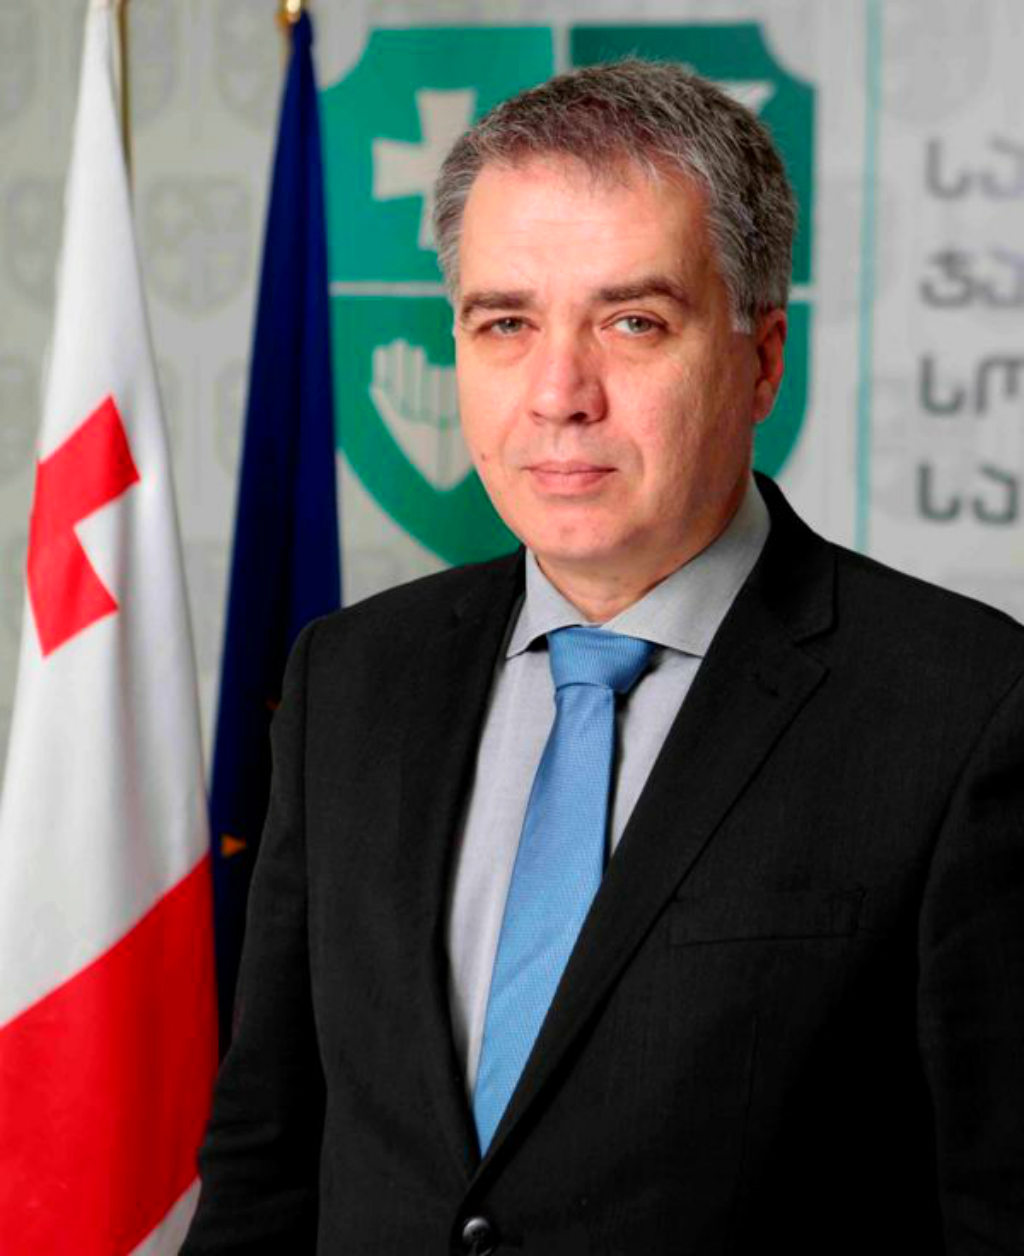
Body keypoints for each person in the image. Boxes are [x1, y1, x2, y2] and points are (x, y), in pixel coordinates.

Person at [182, 60, 1024, 1255]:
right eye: (506, 323)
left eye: (634, 321)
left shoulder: (966, 706)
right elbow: (267, 1162)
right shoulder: (350, 680)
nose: (558, 393)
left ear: (761, 360)